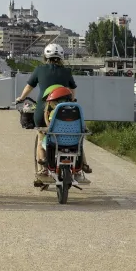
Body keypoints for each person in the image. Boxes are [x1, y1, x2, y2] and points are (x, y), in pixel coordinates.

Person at [15, 43, 91, 183]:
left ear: (45, 56)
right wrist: (72, 99)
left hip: (43, 111)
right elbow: (73, 91)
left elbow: (29, 87)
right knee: (75, 135)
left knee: (41, 136)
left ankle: (42, 169)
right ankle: (82, 165)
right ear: (61, 57)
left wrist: (21, 97)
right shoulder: (67, 72)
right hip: (64, 112)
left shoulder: (39, 69)